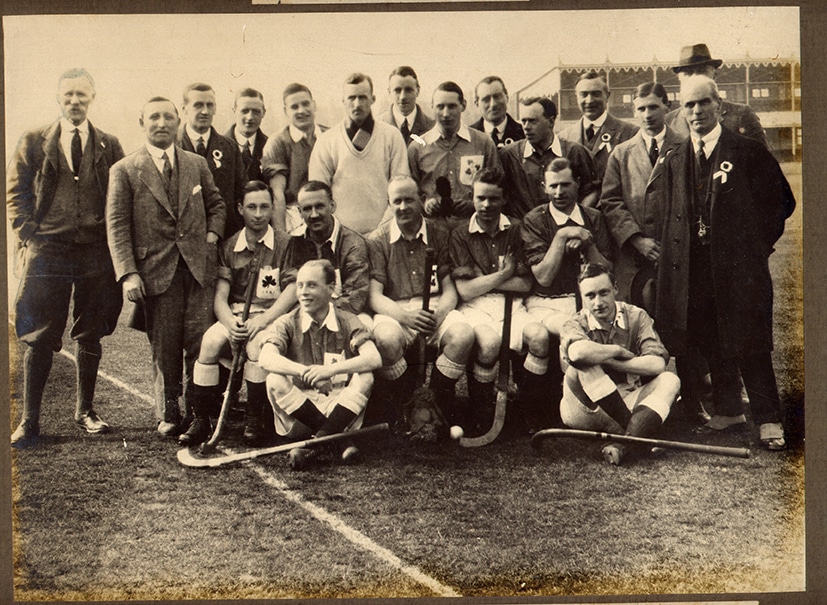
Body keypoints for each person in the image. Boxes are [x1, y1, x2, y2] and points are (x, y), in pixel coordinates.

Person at [654, 75, 795, 450]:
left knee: (750, 340)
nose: (696, 111)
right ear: (681, 111)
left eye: (703, 103)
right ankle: (729, 409)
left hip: (738, 268)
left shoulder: (747, 151)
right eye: (689, 105)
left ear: (719, 104)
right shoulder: (674, 158)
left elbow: (781, 204)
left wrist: (754, 247)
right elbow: (670, 216)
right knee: (709, 337)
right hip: (694, 270)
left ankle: (769, 419)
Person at [7, 68, 125, 446]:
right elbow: (15, 191)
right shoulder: (33, 140)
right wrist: (28, 233)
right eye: (69, 94)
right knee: (40, 333)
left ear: (93, 97)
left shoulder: (109, 143)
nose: (75, 101)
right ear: (58, 97)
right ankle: (30, 421)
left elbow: (120, 195)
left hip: (94, 250)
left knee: (91, 329)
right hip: (49, 250)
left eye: (82, 95)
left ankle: (85, 411)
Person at [107, 96, 226, 437]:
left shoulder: (196, 163)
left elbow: (216, 203)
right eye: (154, 117)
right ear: (141, 123)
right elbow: (116, 225)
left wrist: (211, 236)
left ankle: (198, 413)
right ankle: (169, 414)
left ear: (178, 121)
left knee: (199, 343)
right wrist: (128, 273)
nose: (162, 123)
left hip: (198, 269)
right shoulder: (125, 170)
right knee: (166, 346)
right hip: (156, 272)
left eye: (168, 117)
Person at [179, 181, 294, 446]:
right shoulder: (230, 245)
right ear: (240, 208)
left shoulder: (286, 244)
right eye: (251, 207)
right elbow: (220, 297)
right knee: (209, 343)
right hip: (236, 316)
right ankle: (203, 417)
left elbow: (289, 293)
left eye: (265, 207)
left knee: (256, 348)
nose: (258, 213)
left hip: (269, 316)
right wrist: (230, 324)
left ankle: (256, 417)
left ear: (273, 208)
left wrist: (262, 321)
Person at [448, 167, 551, 434]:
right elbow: (466, 292)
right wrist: (505, 273)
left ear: (504, 199)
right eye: (480, 198)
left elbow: (525, 283)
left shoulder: (517, 229)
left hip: (514, 305)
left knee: (539, 337)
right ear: (472, 197)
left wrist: (485, 279)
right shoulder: (460, 233)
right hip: (475, 308)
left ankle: (530, 411)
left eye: (493, 199)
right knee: (490, 343)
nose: (486, 205)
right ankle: (482, 411)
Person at [366, 176, 475, 428]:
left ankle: (433, 400)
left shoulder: (439, 233)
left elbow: (449, 290)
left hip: (436, 307)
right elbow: (375, 295)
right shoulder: (377, 239)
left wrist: (438, 316)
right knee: (385, 340)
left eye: (409, 200)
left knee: (462, 335)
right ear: (388, 204)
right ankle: (408, 402)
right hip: (396, 310)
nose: (403, 207)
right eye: (397, 201)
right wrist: (406, 318)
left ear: (422, 200)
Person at [258, 259, 382, 469]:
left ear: (331, 288)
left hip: (341, 409)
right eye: (300, 285)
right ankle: (338, 441)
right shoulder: (287, 322)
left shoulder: (348, 320)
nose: (303, 292)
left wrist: (329, 370)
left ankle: (317, 445)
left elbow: (374, 358)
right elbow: (265, 358)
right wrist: (306, 373)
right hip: (299, 415)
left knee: (366, 375)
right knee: (274, 378)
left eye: (312, 285)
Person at [560, 263, 681, 466]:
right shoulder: (574, 322)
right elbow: (578, 352)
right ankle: (638, 435)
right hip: (585, 409)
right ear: (582, 297)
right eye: (590, 296)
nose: (598, 302)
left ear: (615, 288)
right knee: (582, 363)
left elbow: (656, 364)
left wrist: (613, 363)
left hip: (626, 399)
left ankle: (622, 444)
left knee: (670, 379)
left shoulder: (636, 316)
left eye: (604, 292)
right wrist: (616, 351)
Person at [599, 82, 685, 305]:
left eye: (653, 107)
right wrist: (637, 240)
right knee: (636, 316)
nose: (647, 115)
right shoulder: (621, 153)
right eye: (641, 109)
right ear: (633, 111)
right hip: (633, 257)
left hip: (675, 252)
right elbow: (610, 202)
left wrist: (671, 243)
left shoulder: (685, 148)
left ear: (667, 106)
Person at [308, 72, 409, 235]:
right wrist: (339, 234)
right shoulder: (326, 141)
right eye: (351, 98)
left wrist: (382, 231)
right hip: (340, 236)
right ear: (343, 101)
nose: (357, 104)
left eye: (362, 97)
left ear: (373, 99)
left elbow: (401, 189)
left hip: (385, 234)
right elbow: (318, 196)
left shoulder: (392, 136)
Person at [521, 158, 612, 338]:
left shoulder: (594, 217)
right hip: (547, 303)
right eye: (553, 186)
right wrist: (562, 236)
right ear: (544, 186)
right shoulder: (535, 220)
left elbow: (607, 272)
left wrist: (588, 244)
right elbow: (544, 278)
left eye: (565, 185)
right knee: (575, 335)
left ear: (577, 183)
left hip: (591, 301)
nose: (559, 192)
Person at [408, 81, 500, 225]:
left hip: (472, 227)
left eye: (452, 106)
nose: (446, 114)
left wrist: (474, 204)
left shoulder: (483, 143)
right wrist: (426, 203)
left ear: (463, 105)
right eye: (440, 107)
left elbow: (497, 186)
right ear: (432, 106)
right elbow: (410, 191)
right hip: (433, 229)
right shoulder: (417, 148)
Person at [280, 181, 370, 316]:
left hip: (344, 316)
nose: (314, 215)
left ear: (332, 206)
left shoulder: (353, 243)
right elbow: (288, 288)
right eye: (307, 209)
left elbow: (354, 299)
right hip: (302, 316)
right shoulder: (294, 241)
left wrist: (318, 314)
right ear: (299, 212)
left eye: (320, 206)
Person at [499, 96, 598, 218]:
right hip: (524, 232)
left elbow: (593, 190)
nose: (526, 127)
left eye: (533, 121)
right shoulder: (509, 155)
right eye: (523, 121)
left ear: (551, 122)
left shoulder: (575, 152)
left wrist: (575, 218)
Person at [178, 82, 247, 238]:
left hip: (225, 234)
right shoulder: (173, 146)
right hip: (184, 237)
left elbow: (241, 190)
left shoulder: (229, 147)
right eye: (198, 105)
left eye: (210, 105)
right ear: (184, 109)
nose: (205, 111)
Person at [558, 71, 639, 204]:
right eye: (584, 94)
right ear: (576, 97)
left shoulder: (630, 133)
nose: (589, 101)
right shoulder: (563, 138)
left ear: (607, 96)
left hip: (614, 213)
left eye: (596, 94)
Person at [665, 43, 768, 147]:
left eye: (701, 71)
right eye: (688, 73)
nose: (695, 77)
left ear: (714, 75)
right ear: (679, 78)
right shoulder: (668, 121)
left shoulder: (740, 115)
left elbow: (762, 159)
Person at [261, 83, 327, 234]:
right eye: (294, 107)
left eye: (305, 104)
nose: (301, 111)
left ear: (314, 105)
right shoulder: (278, 142)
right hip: (295, 216)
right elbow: (278, 194)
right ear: (286, 111)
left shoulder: (329, 136)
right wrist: (281, 237)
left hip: (327, 211)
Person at [376, 66, 435, 146]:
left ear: (417, 91)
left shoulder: (433, 128)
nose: (403, 97)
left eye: (408, 90)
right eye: (397, 90)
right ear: (389, 92)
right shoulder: (376, 127)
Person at [225, 88, 268, 184]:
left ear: (264, 113)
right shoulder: (219, 146)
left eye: (256, 112)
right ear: (234, 111)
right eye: (244, 111)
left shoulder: (270, 147)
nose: (250, 117)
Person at [470, 76, 525, 148]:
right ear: (477, 103)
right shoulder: (468, 136)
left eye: (497, 97)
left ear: (507, 97)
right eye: (486, 99)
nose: (493, 104)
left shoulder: (524, 133)